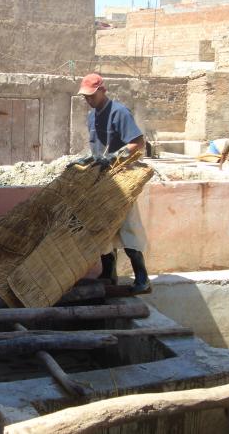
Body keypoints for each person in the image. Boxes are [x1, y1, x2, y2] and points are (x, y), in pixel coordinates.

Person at [71, 73, 151, 295]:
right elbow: (97, 148)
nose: (88, 100)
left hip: (123, 177)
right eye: (85, 96)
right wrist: (89, 159)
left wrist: (113, 156)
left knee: (128, 226)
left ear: (102, 91)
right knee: (102, 228)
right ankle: (109, 274)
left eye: (92, 96)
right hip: (102, 178)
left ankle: (142, 279)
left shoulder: (119, 112)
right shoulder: (91, 116)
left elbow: (138, 143)